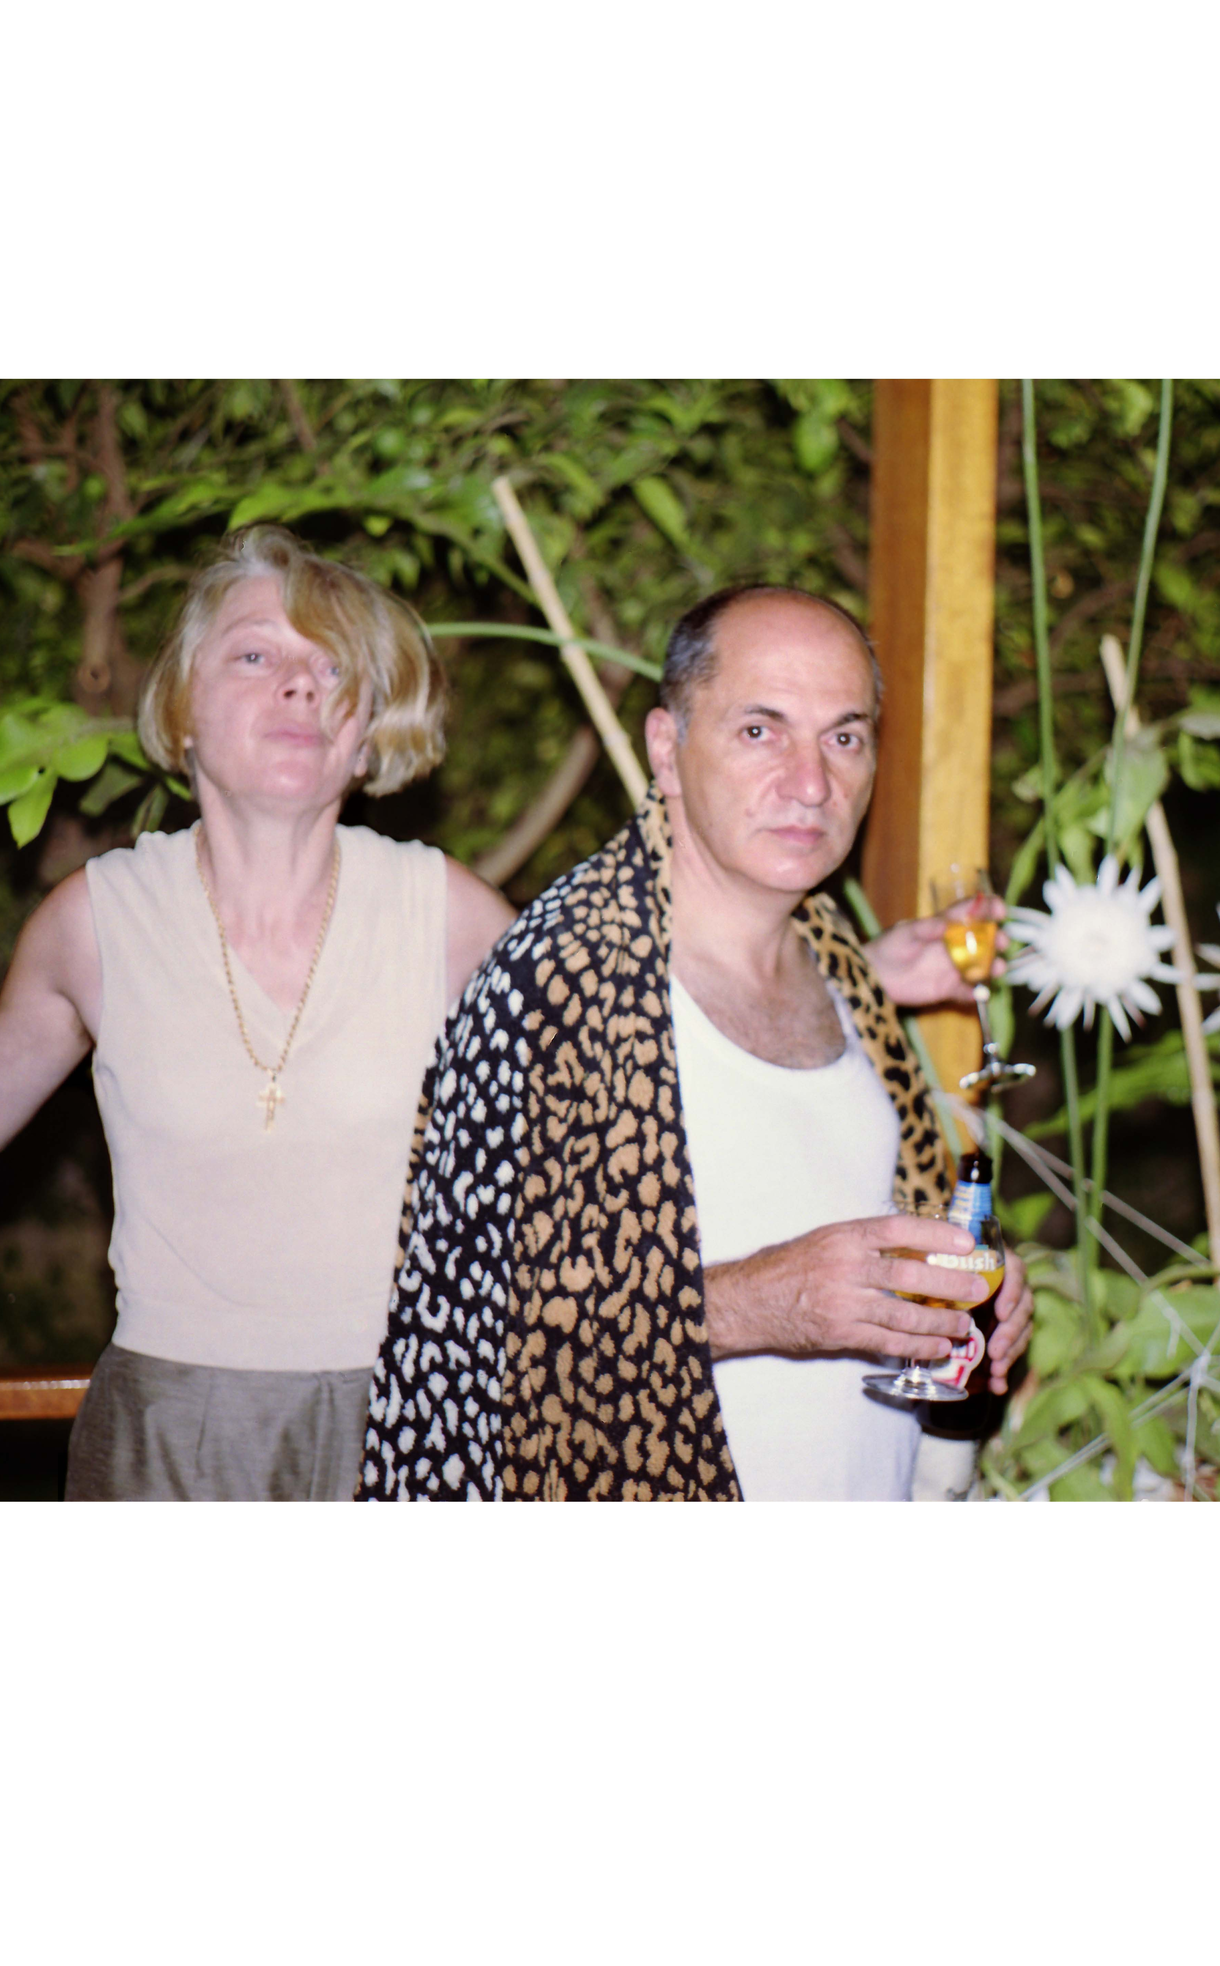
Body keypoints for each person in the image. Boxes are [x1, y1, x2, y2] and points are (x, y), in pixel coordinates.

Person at [0, 524, 517, 1500]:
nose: (299, 684)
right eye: (254, 654)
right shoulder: (95, 921)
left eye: (331, 663)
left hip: (412, 1409)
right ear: (182, 705)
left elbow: (592, 1138)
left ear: (368, 722)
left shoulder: (448, 912)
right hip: (166, 1430)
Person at [360, 583, 1030, 1501]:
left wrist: (972, 1299)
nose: (811, 781)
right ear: (667, 752)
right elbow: (466, 1335)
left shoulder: (839, 964)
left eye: (844, 735)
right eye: (761, 730)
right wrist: (767, 1303)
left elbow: (880, 1228)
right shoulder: (561, 979)